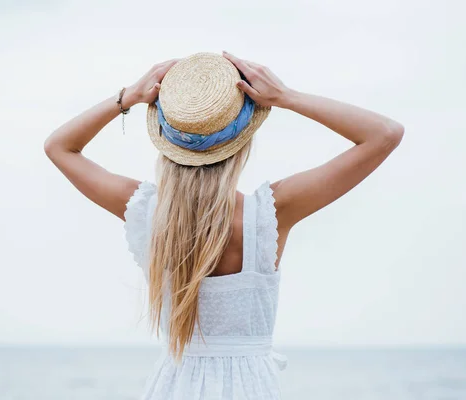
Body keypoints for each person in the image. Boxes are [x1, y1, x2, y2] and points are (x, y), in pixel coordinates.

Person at [44, 52, 404, 400]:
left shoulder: (145, 211)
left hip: (173, 386)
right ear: (242, 141)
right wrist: (286, 97)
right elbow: (384, 133)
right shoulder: (268, 215)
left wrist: (129, 97)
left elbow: (59, 147)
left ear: (167, 144)